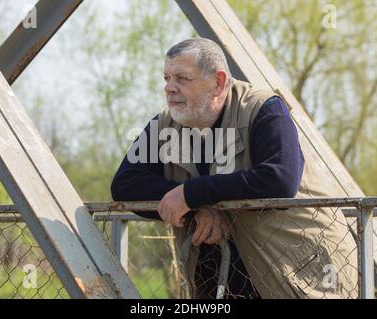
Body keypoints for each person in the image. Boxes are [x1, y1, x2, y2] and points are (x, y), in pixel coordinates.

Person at [111, 38, 358, 299]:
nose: (169, 88)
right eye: (166, 78)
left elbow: (279, 180)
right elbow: (125, 185)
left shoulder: (264, 109)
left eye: (182, 78)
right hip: (220, 282)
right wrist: (198, 208)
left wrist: (191, 194)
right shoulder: (165, 124)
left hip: (301, 277)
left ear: (218, 82)